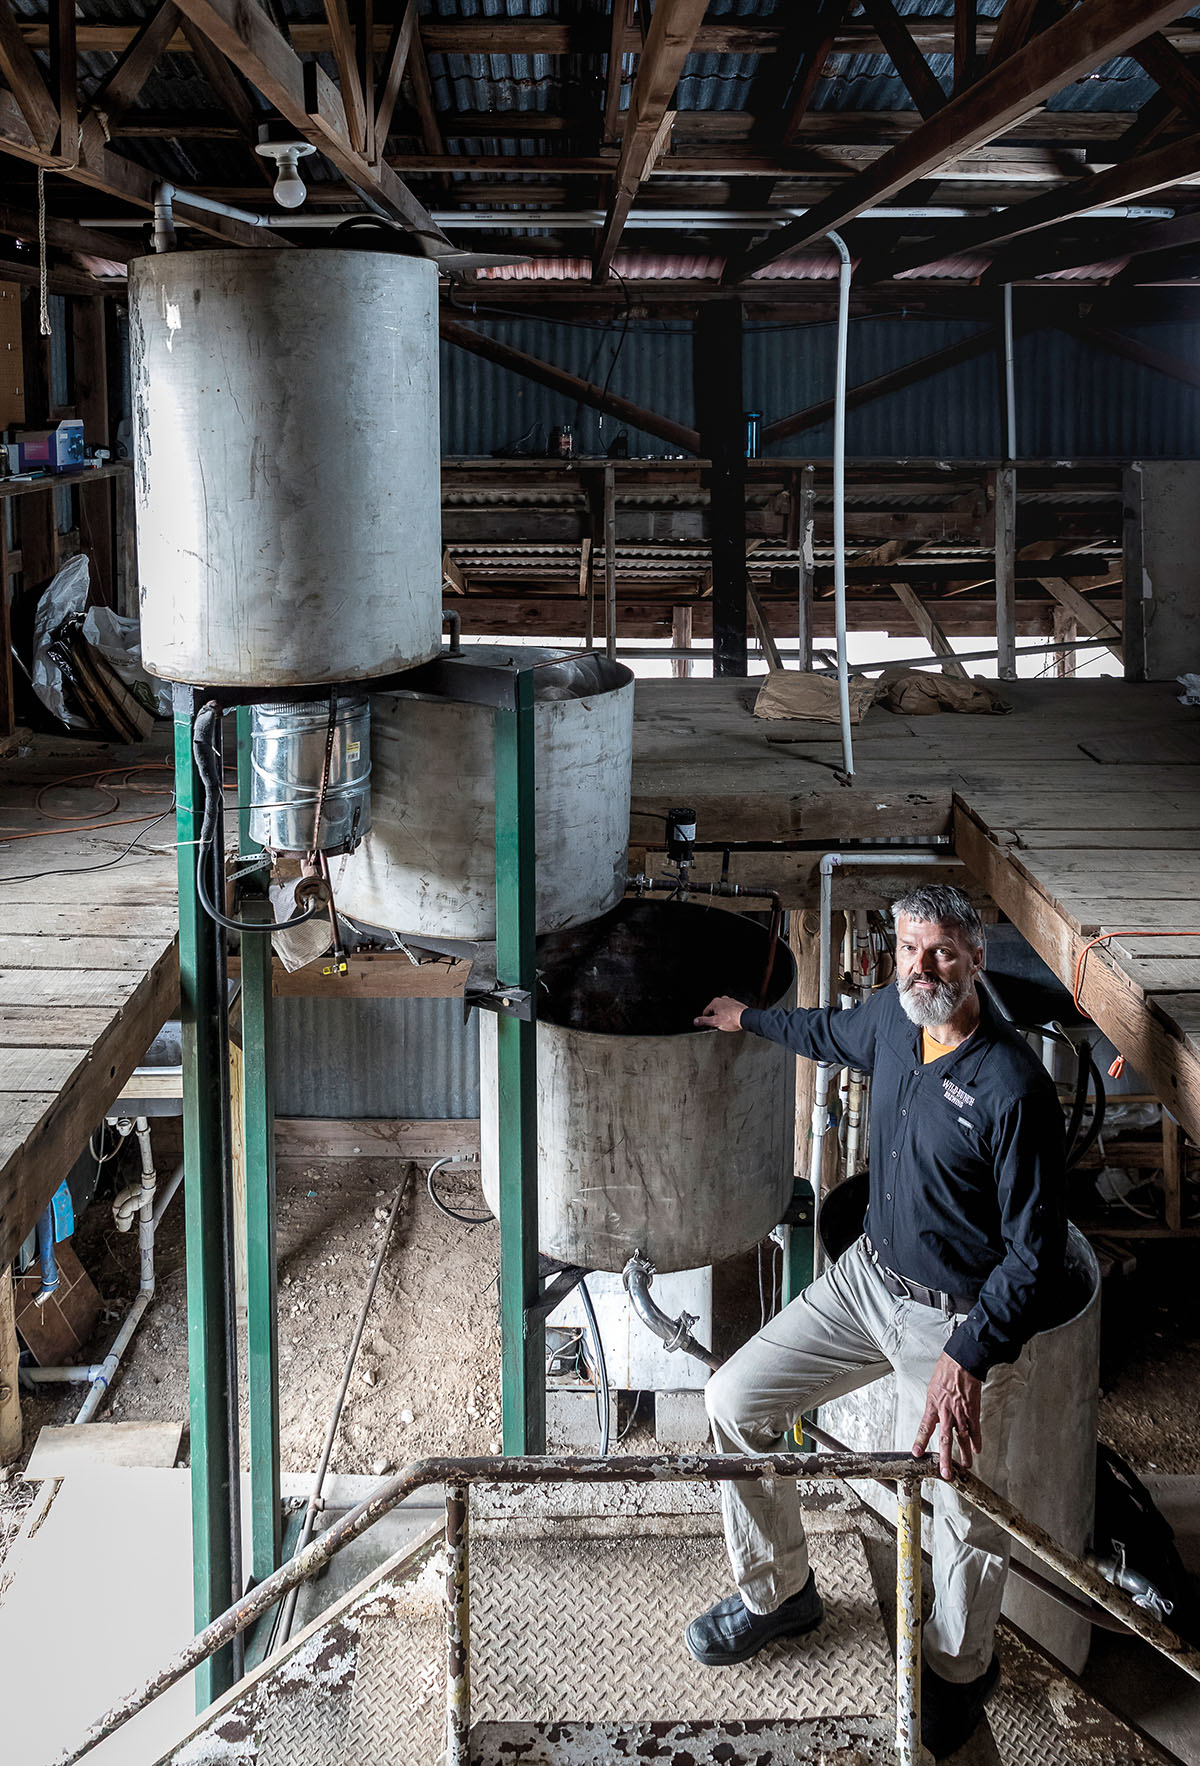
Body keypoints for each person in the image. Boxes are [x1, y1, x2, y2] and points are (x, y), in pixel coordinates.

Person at [685, 884, 1066, 1760]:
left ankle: (959, 1673)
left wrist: (968, 1353)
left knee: (958, 1509)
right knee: (733, 1400)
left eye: (939, 952)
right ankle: (778, 1593)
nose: (921, 968)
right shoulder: (893, 1022)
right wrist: (749, 1018)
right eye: (908, 949)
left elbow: (1035, 1256)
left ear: (976, 956)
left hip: (954, 1322)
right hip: (866, 1284)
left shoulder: (1012, 1088)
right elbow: (827, 1032)